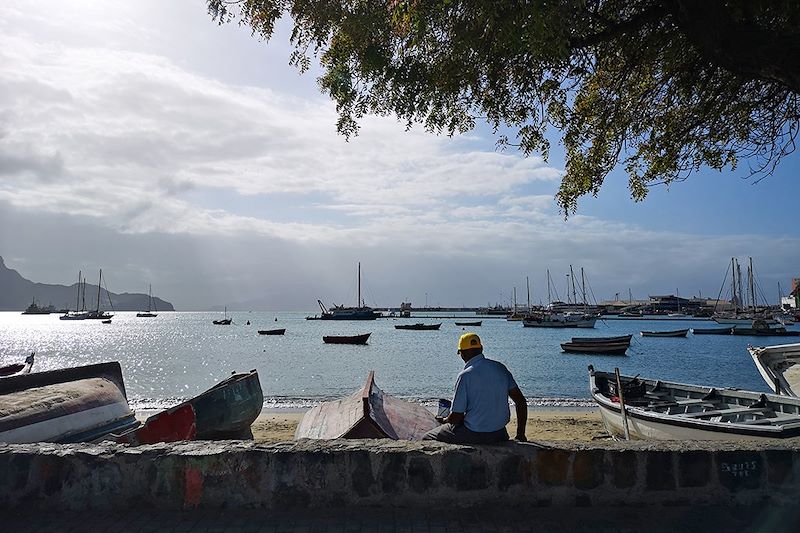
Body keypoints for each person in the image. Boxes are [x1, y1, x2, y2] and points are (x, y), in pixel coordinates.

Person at [424, 332, 527, 444]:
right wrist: (520, 434)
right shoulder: (500, 368)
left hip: (473, 433)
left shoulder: (465, 375)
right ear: (481, 349)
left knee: (428, 437)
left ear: (462, 353)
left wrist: (444, 420)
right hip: (499, 433)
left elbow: (456, 417)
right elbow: (520, 401)